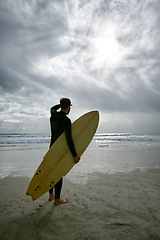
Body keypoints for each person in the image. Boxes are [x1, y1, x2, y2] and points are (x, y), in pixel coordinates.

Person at [49, 98, 80, 205]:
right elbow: (68, 138)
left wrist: (62, 104)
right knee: (58, 173)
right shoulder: (66, 120)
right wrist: (74, 155)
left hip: (51, 147)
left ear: (61, 105)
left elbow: (53, 108)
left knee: (50, 171)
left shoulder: (53, 115)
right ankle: (57, 199)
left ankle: (51, 195)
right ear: (69, 107)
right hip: (59, 150)